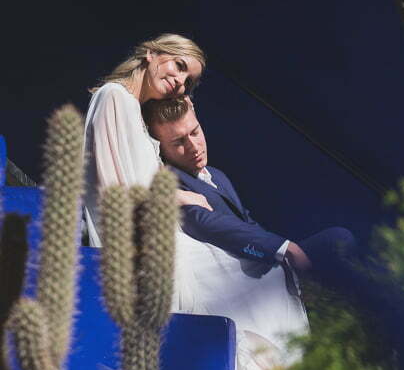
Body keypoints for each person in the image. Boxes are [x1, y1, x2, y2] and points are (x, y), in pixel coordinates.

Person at [83, 34, 309, 370]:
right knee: (254, 278)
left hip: (161, 230)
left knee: (267, 277)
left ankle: (281, 368)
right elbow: (117, 190)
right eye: (178, 67)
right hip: (140, 239)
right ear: (152, 53)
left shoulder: (138, 118)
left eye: (188, 80)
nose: (179, 82)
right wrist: (182, 196)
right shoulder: (113, 98)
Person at [140, 96, 357, 304]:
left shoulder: (216, 175)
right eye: (178, 142)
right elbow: (202, 222)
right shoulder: (169, 181)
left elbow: (247, 222)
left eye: (195, 132)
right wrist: (282, 249)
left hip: (262, 256)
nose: (194, 147)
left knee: (338, 242)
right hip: (239, 276)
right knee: (337, 240)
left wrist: (279, 252)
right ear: (160, 147)